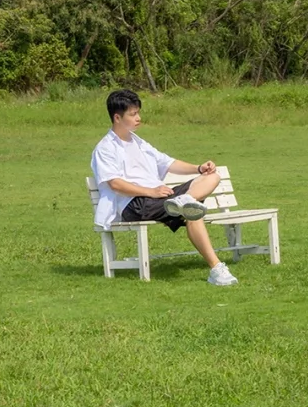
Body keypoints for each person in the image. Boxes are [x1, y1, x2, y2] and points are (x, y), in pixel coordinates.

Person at [91, 88, 239, 286]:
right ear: (117, 117)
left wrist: (198, 168)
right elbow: (114, 183)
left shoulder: (139, 142)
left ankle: (185, 201)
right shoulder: (105, 148)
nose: (138, 118)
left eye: (138, 113)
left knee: (212, 177)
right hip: (135, 204)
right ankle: (216, 268)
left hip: (161, 197)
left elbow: (168, 163)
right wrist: (150, 191)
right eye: (133, 114)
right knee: (191, 210)